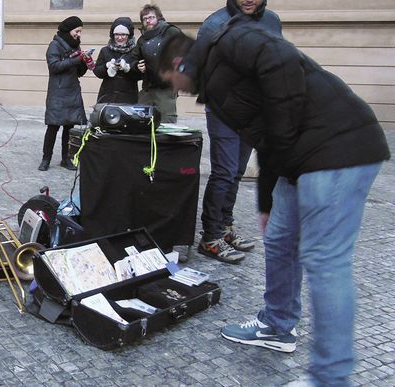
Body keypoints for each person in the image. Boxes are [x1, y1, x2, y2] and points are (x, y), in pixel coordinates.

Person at [157, 18, 390, 387]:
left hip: (338, 149)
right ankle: (277, 326)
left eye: (170, 82)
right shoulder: (217, 88)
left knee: (323, 259)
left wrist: (283, 142)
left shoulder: (232, 39)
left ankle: (331, 378)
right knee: (280, 241)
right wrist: (265, 202)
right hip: (298, 161)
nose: (175, 90)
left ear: (177, 66)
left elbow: (281, 64)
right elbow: (264, 138)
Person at [195, 0, 283, 264]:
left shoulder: (272, 21)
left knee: (237, 171)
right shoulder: (214, 23)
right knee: (224, 171)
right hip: (224, 110)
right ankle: (210, 237)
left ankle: (225, 227)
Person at [39, 16, 90, 172]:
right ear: (69, 30)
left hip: (72, 90)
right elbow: (54, 66)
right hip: (58, 92)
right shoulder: (54, 45)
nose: (79, 34)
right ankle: (46, 158)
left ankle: (66, 158)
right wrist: (76, 60)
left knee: (69, 127)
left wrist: (85, 62)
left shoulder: (76, 46)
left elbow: (79, 72)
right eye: (77, 31)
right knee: (53, 127)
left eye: (80, 31)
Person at [135, 4, 181, 123]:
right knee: (139, 121)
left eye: (151, 17)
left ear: (159, 18)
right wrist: (138, 66)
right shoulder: (142, 39)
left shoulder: (171, 32)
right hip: (148, 87)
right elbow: (135, 58)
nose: (148, 21)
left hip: (166, 88)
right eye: (145, 19)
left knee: (166, 123)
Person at [93, 17, 141, 104]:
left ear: (129, 35)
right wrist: (107, 67)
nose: (119, 37)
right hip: (107, 96)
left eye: (123, 34)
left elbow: (140, 75)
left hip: (129, 97)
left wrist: (128, 68)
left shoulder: (135, 51)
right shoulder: (105, 50)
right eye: (117, 34)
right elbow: (97, 72)